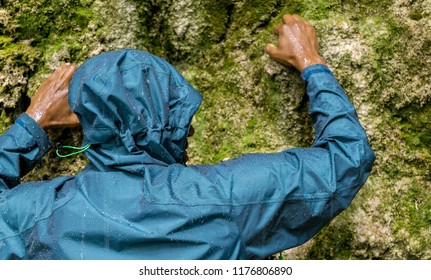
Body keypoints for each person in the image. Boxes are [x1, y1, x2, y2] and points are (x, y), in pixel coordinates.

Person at [0, 14, 375, 259]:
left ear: (88, 124)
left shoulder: (39, 214)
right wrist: (312, 64)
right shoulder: (226, 198)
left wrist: (33, 123)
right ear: (173, 119)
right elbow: (347, 158)